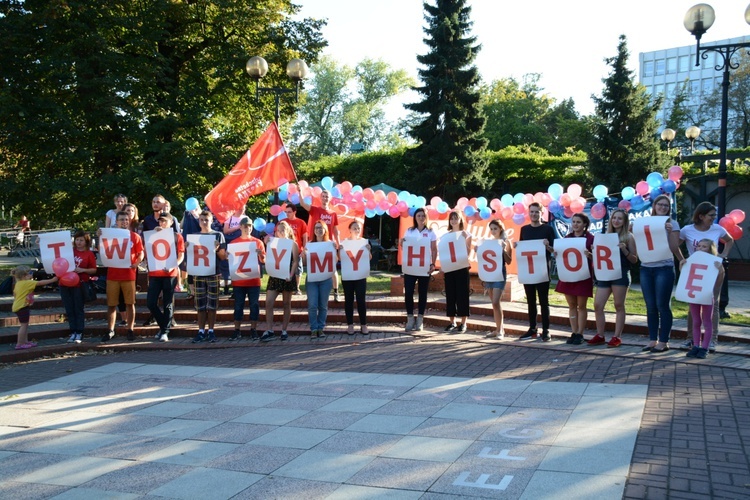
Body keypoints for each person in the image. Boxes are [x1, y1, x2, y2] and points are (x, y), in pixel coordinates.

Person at [679, 201, 734, 353]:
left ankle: (711, 341)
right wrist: (681, 259)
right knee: (693, 307)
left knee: (713, 305)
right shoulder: (687, 230)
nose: (714, 218)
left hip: (713, 271)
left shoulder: (717, 228)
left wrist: (722, 256)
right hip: (694, 271)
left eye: (715, 215)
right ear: (701, 216)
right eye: (711, 215)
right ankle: (691, 340)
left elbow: (729, 240)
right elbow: (675, 243)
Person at [639, 194, 683, 352]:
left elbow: (674, 247)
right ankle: (653, 340)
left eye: (666, 206)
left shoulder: (673, 223)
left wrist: (681, 259)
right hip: (646, 267)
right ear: (654, 206)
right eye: (660, 205)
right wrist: (631, 231)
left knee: (662, 305)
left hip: (664, 268)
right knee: (650, 306)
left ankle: (664, 341)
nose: (663, 207)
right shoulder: (644, 222)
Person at [589, 209, 637, 348]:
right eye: (614, 218)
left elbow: (634, 260)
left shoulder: (628, 237)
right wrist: (593, 252)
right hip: (605, 274)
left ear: (624, 221)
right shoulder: (605, 236)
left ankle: (617, 336)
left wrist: (624, 249)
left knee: (618, 305)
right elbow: (601, 259)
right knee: (598, 305)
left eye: (619, 218)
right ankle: (600, 335)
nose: (616, 221)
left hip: (620, 274)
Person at [516, 202, 556, 342]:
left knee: (544, 301)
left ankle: (546, 330)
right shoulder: (524, 229)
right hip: (528, 270)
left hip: (542, 270)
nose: (534, 214)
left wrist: (548, 246)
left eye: (536, 212)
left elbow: (555, 251)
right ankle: (532, 328)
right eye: (531, 212)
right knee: (531, 301)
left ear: (541, 213)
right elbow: (522, 248)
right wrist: (516, 246)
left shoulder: (548, 229)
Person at [102, 211, 144, 342]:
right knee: (111, 304)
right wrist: (100, 236)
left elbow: (140, 253)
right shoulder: (109, 236)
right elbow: (102, 250)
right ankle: (110, 330)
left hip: (128, 274)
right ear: (116, 221)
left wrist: (136, 263)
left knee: (130, 303)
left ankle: (130, 329)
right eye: (121, 219)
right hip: (113, 275)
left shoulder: (135, 236)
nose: (124, 221)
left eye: (126, 219)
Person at [682, 238, 725, 359]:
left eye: (704, 247)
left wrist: (720, 270)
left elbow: (718, 283)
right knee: (696, 321)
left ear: (710, 249)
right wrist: (682, 266)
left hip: (707, 295)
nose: (700, 248)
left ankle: (705, 347)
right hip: (694, 294)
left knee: (707, 322)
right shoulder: (692, 260)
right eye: (699, 246)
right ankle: (696, 345)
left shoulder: (715, 262)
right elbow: (685, 277)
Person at [555, 212, 594, 345]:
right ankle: (574, 331)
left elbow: (596, 258)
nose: (575, 224)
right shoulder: (567, 238)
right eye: (574, 222)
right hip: (568, 275)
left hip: (583, 276)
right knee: (572, 305)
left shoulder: (591, 239)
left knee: (581, 306)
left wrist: (590, 255)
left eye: (578, 222)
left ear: (584, 224)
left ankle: (580, 333)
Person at [188, 210, 227, 343]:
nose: (204, 222)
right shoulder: (194, 236)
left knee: (212, 304)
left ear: (211, 221)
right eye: (202, 220)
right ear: (198, 221)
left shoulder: (217, 235)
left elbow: (223, 257)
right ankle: (200, 331)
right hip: (198, 273)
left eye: (207, 220)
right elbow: (190, 258)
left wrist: (216, 250)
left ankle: (211, 330)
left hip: (213, 273)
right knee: (200, 304)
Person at [146, 213, 185, 342]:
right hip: (155, 274)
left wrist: (173, 265)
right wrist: (153, 234)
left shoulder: (176, 236)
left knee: (167, 303)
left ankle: (165, 331)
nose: (162, 223)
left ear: (171, 223)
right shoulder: (153, 234)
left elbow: (181, 255)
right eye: (160, 221)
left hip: (170, 274)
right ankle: (164, 326)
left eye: (164, 221)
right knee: (151, 303)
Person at [400, 207, 437, 332]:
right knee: (409, 292)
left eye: (423, 215)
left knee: (423, 293)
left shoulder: (431, 232)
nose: (421, 218)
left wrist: (433, 264)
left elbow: (434, 249)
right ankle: (410, 318)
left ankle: (420, 319)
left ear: (426, 217)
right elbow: (404, 247)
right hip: (410, 267)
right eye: (418, 216)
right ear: (415, 218)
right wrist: (401, 242)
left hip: (424, 267)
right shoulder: (409, 231)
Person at [261, 221, 299, 342]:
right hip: (275, 276)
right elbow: (270, 259)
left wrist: (291, 274)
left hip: (287, 276)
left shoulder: (292, 244)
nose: (281, 232)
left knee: (286, 304)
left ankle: (284, 330)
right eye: (278, 230)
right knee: (269, 302)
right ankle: (270, 329)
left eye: (283, 230)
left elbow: (295, 262)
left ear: (287, 231)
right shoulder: (273, 243)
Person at [229, 216, 265, 341]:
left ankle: (253, 329)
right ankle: (237, 330)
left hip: (253, 280)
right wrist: (229, 256)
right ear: (240, 227)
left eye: (249, 226)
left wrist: (260, 254)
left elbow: (264, 261)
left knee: (254, 305)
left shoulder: (257, 242)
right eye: (245, 226)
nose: (247, 228)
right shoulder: (234, 243)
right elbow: (230, 260)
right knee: (238, 305)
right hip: (239, 280)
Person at [300, 189, 341, 300]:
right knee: (313, 267)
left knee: (332, 268)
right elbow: (303, 204)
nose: (325, 198)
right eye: (323, 196)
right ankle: (311, 293)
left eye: (327, 196)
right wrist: (300, 191)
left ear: (330, 198)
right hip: (315, 243)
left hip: (328, 245)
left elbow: (336, 230)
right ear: (320, 198)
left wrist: (338, 243)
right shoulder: (315, 209)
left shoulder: (333, 213)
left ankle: (336, 292)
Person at [63, 231, 97, 344]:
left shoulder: (89, 254)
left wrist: (83, 270)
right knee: (69, 308)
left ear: (86, 241)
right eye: (77, 240)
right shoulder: (69, 251)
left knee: (78, 308)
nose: (78, 242)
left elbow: (94, 269)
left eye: (81, 240)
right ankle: (72, 331)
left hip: (80, 284)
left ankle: (79, 332)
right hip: (65, 283)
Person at [12, 266, 58, 350]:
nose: (31, 274)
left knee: (25, 325)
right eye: (29, 273)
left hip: (19, 306)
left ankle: (25, 341)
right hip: (22, 307)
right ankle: (19, 344)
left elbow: (15, 295)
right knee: (23, 326)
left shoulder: (18, 284)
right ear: (24, 276)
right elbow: (40, 283)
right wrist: (53, 280)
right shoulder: (26, 282)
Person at [304, 221, 336, 338]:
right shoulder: (309, 244)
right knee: (312, 305)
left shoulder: (330, 244)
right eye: (316, 228)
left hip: (326, 279)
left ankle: (321, 328)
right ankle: (314, 329)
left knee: (323, 305)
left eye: (321, 228)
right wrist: (304, 255)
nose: (318, 230)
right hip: (312, 279)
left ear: (325, 230)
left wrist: (336, 250)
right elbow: (304, 263)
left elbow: (335, 261)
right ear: (313, 231)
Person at [443, 210, 472, 333]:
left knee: (462, 295)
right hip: (449, 268)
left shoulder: (466, 234)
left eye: (456, 218)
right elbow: (444, 252)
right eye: (452, 219)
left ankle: (463, 323)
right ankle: (452, 322)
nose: (454, 221)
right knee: (450, 295)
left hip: (462, 268)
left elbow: (467, 252)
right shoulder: (446, 236)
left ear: (460, 220)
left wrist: (465, 239)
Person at [341, 219, 370, 335]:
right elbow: (339, 258)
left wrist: (369, 250)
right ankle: (350, 325)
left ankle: (364, 325)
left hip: (360, 276)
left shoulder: (364, 242)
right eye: (354, 228)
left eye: (358, 228)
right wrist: (340, 250)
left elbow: (369, 258)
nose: (357, 230)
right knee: (348, 300)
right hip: (348, 276)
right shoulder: (344, 243)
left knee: (361, 300)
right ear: (349, 230)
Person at [484, 219, 512, 339]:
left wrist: (504, 249)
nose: (493, 231)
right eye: (491, 229)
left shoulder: (506, 241)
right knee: (493, 304)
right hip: (489, 273)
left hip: (500, 273)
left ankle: (500, 331)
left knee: (496, 301)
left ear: (500, 229)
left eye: (495, 228)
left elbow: (509, 261)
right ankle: (498, 328)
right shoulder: (489, 242)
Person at [220, 207, 245, 296]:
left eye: (243, 208)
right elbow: (225, 231)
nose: (241, 209)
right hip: (231, 244)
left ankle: (237, 290)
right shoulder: (229, 218)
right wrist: (238, 227)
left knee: (239, 267)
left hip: (241, 245)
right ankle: (227, 287)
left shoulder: (246, 218)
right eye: (239, 208)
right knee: (229, 266)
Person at [283, 204, 308, 294]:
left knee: (298, 269)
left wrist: (304, 249)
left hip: (297, 250)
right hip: (285, 250)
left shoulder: (301, 222)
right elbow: (277, 235)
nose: (287, 214)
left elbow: (305, 237)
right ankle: (285, 287)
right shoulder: (283, 222)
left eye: (289, 212)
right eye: (286, 212)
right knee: (285, 269)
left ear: (294, 212)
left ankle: (297, 288)